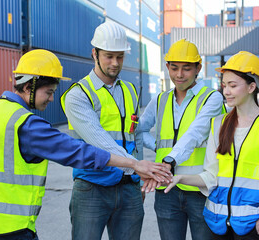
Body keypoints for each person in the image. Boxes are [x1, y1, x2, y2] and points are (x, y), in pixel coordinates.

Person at [0, 49, 171, 240]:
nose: (52, 99)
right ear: (28, 87)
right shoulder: (26, 125)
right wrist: (134, 165)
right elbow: (77, 152)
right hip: (13, 225)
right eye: (49, 92)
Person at [163, 51, 259, 240]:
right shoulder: (218, 124)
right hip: (217, 225)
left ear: (251, 87)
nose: (226, 91)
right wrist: (180, 178)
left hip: (252, 226)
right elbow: (211, 176)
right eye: (224, 85)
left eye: (232, 86)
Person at [60, 21, 159, 240]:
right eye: (109, 56)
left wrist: (140, 183)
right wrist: (136, 167)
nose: (115, 63)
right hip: (92, 188)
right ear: (94, 53)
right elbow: (99, 140)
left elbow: (135, 137)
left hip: (129, 189)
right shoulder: (78, 95)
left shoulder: (130, 90)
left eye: (120, 56)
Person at [140, 39, 225, 240]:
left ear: (198, 68)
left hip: (200, 189)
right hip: (166, 189)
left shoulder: (211, 98)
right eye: (174, 68)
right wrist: (158, 148)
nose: (179, 75)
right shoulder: (160, 100)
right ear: (167, 67)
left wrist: (169, 160)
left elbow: (196, 133)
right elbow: (139, 131)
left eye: (186, 69)